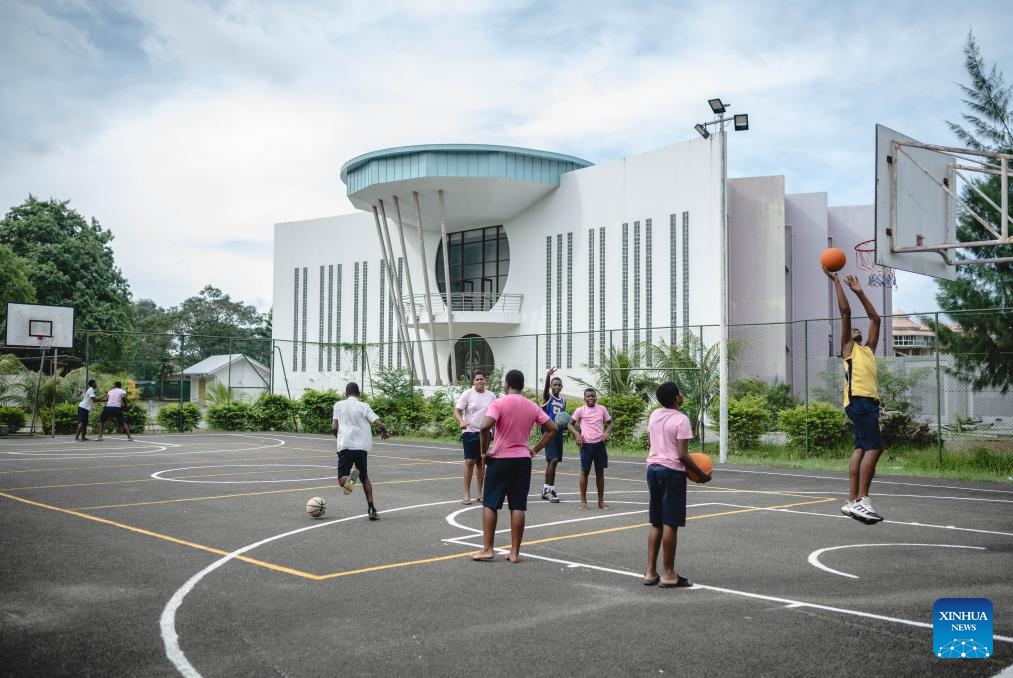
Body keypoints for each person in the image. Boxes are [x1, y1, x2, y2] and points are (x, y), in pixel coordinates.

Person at [472, 369, 556, 563]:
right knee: (518, 505)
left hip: (500, 459)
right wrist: (534, 449)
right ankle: (515, 553)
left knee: (491, 503)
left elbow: (484, 426)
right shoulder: (531, 406)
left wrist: (484, 453)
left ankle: (488, 549)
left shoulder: (499, 402)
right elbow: (552, 428)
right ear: (522, 385)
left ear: (506, 385)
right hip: (522, 460)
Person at [825, 268, 884, 525]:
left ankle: (851, 501)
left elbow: (876, 320)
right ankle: (862, 500)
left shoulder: (868, 350)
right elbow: (845, 313)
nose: (857, 330)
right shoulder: (848, 349)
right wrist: (838, 282)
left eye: (860, 330)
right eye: (853, 330)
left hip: (866, 402)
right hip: (859, 401)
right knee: (875, 447)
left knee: (861, 447)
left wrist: (860, 292)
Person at [644, 381, 712, 588]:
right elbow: (682, 455)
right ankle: (668, 574)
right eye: (679, 393)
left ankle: (649, 573)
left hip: (652, 469)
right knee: (670, 523)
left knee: (656, 522)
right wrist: (701, 474)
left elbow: (651, 442)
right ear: (677, 398)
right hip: (671, 472)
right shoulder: (681, 420)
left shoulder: (655, 415)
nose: (681, 395)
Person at [332, 382, 389, 521]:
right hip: (362, 447)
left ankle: (352, 477)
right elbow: (377, 422)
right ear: (359, 394)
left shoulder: (338, 405)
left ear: (346, 394)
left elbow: (334, 427)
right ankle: (371, 508)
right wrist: (385, 431)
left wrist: (339, 439)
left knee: (342, 481)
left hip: (346, 445)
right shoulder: (364, 406)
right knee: (365, 478)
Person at [454, 370, 496, 505]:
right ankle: (466, 493)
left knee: (481, 462)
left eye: (482, 379)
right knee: (469, 462)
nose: (479, 381)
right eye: (477, 379)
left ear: (485, 380)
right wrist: (461, 421)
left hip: (485, 432)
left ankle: (480, 493)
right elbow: (456, 411)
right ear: (473, 381)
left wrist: (495, 429)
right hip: (470, 432)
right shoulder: (467, 394)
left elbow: (496, 413)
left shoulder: (491, 396)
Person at [568, 388, 613, 510]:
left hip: (599, 444)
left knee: (600, 472)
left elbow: (610, 423)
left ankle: (601, 501)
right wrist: (577, 435)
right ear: (584, 399)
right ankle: (583, 502)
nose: (591, 398)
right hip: (586, 445)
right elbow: (569, 424)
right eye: (588, 396)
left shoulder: (602, 409)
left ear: (596, 398)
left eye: (593, 396)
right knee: (585, 472)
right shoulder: (580, 410)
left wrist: (607, 432)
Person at [540, 368, 567, 503]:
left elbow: (562, 417)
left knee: (553, 462)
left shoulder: (563, 401)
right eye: (554, 385)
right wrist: (548, 377)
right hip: (548, 432)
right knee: (554, 460)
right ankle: (549, 490)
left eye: (558, 385)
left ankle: (547, 489)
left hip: (558, 432)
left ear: (562, 387)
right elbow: (545, 390)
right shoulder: (547, 397)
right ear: (551, 386)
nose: (556, 386)